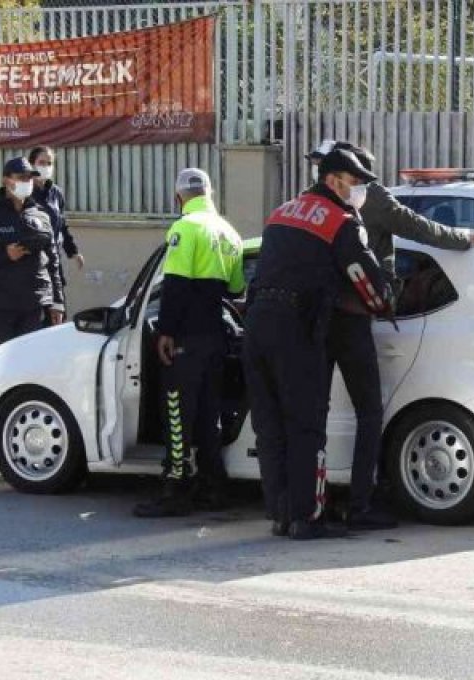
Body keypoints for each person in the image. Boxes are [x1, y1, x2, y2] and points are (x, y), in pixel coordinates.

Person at [305, 140, 474, 529]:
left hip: (338, 315)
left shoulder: (356, 200)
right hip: (352, 315)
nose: (321, 173)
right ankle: (354, 503)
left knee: (327, 414)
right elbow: (416, 229)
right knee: (362, 413)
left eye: (324, 165)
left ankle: (314, 505)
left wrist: (461, 239)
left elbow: (416, 226)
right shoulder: (335, 205)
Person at [245, 148, 393, 541]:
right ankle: (307, 518)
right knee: (306, 424)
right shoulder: (339, 220)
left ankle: (280, 514)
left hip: (257, 325)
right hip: (296, 328)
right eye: (356, 182)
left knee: (270, 426)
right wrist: (384, 305)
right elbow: (368, 280)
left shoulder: (282, 212)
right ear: (333, 181)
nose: (359, 189)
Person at [133, 169, 245, 519]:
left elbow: (175, 285)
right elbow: (237, 290)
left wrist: (165, 332)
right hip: (216, 336)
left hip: (186, 337)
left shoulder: (184, 228)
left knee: (177, 413)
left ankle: (175, 490)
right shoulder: (230, 232)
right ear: (210, 193)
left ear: (178, 197)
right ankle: (213, 486)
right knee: (208, 414)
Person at [0, 157, 63, 357]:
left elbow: (53, 260)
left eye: (30, 178)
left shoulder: (41, 215)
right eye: (21, 177)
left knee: (32, 364)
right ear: (6, 180)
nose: (27, 182)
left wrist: (57, 301)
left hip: (34, 306)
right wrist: (4, 254)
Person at [28, 146, 83, 313]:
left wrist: (73, 252)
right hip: (32, 263)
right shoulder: (25, 192)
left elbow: (62, 225)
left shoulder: (56, 193)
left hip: (54, 262)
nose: (45, 167)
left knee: (58, 311)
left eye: (49, 163)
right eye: (41, 162)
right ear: (32, 164)